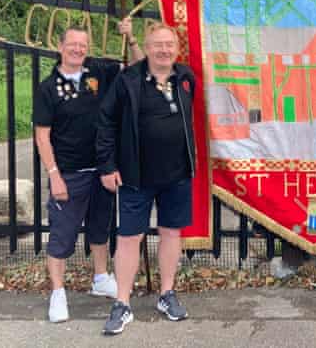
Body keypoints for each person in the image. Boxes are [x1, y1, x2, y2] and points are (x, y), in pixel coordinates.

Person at [33, 19, 142, 323]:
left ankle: (100, 278)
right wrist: (54, 174)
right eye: (72, 44)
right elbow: (42, 136)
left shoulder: (99, 71)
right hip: (69, 173)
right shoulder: (48, 88)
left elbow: (138, 67)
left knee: (100, 228)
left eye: (82, 45)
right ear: (60, 47)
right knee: (62, 236)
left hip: (103, 169)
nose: (78, 49)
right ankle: (57, 293)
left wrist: (131, 37)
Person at [96, 23, 198, 336]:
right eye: (158, 45)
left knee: (171, 234)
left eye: (169, 45)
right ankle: (122, 303)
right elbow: (106, 122)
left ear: (176, 49)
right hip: (135, 175)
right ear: (148, 48)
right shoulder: (128, 80)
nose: (164, 50)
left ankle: (167, 294)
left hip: (177, 174)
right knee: (129, 238)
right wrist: (107, 165)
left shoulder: (185, 78)